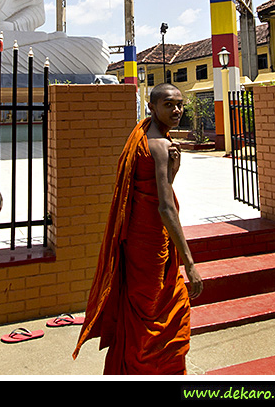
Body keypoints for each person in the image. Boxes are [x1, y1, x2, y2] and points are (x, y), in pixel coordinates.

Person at [73, 83, 203, 375]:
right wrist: (190, 264)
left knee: (146, 309)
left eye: (180, 104)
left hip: (138, 241)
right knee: (157, 312)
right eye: (169, 105)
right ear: (152, 107)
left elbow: (156, 190)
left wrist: (171, 174)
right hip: (150, 244)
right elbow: (165, 207)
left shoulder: (143, 135)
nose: (177, 110)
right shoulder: (159, 145)